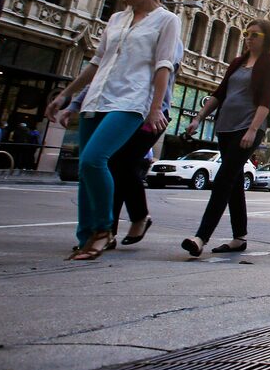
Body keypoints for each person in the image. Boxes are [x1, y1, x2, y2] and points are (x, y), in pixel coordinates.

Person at [45, 0, 181, 260]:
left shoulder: (167, 20)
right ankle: (86, 236)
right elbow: (97, 63)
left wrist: (155, 108)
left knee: (96, 159)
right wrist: (69, 98)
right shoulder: (116, 19)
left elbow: (164, 66)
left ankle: (104, 230)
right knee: (85, 168)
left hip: (131, 102)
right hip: (97, 99)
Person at [61, 40, 182, 247]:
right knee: (112, 165)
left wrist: (155, 109)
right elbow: (103, 75)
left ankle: (129, 221)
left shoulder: (168, 35)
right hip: (118, 108)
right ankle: (110, 229)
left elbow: (162, 73)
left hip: (151, 114)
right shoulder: (125, 33)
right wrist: (74, 102)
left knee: (120, 164)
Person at [180, 19, 270, 257]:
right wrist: (198, 118)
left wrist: (252, 130)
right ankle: (239, 238)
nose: (249, 37)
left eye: (255, 34)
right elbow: (220, 92)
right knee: (234, 182)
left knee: (224, 179)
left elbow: (267, 101)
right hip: (226, 126)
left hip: (248, 128)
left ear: (267, 38)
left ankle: (200, 237)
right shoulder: (237, 62)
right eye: (247, 33)